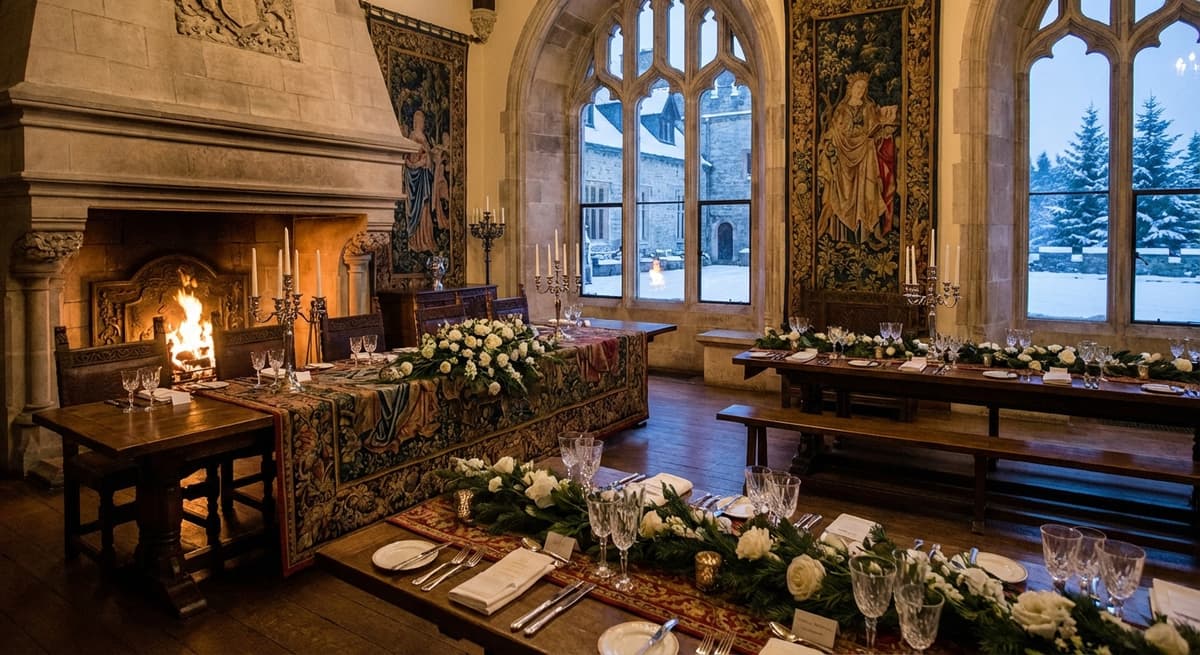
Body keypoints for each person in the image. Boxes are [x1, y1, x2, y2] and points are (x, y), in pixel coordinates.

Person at [816, 72, 898, 243]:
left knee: (866, 192)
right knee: (841, 195)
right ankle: (842, 237)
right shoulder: (842, 109)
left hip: (864, 158)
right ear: (851, 88)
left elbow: (874, 131)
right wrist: (835, 143)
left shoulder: (868, 108)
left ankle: (865, 233)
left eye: (863, 87)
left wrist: (881, 128)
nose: (861, 90)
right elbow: (836, 132)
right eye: (858, 86)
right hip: (844, 160)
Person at [403, 110, 437, 252]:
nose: (422, 123)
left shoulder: (424, 137)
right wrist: (420, 159)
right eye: (420, 120)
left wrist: (427, 158)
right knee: (418, 208)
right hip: (414, 179)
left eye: (423, 120)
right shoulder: (413, 135)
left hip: (423, 179)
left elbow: (428, 157)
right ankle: (415, 240)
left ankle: (426, 239)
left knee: (425, 209)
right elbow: (411, 157)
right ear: (416, 121)